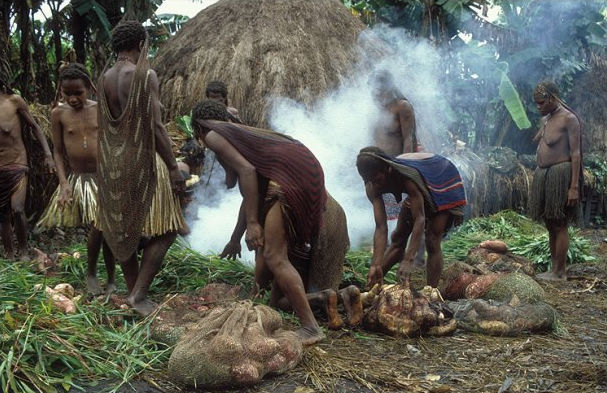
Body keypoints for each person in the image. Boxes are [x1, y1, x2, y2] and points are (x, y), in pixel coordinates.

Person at [191, 99, 328, 345]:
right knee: (270, 250)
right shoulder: (241, 136)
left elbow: (246, 172)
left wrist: (254, 224)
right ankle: (289, 304)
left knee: (275, 256)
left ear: (198, 127)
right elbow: (248, 193)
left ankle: (311, 328)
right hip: (307, 170)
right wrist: (235, 238)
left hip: (293, 177)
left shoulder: (212, 133)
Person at [97, 20, 186, 316]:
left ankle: (133, 289)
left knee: (124, 226)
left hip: (115, 163)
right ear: (140, 45)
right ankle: (139, 294)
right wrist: (173, 168)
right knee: (169, 228)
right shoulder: (145, 74)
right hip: (145, 160)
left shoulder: (104, 78)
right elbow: (156, 126)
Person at [37, 63, 115, 295]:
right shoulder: (58, 114)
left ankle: (109, 277)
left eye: (77, 93)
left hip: (105, 178)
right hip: (81, 180)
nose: (72, 98)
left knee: (106, 228)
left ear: (89, 88)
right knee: (99, 226)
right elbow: (58, 152)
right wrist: (64, 182)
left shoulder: (101, 109)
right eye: (66, 93)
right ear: (60, 91)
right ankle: (92, 274)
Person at [356, 147, 466, 289]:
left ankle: (430, 293)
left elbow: (419, 219)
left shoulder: (407, 177)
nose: (375, 185)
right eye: (369, 181)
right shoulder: (372, 185)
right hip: (420, 188)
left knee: (432, 239)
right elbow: (381, 227)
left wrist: (409, 260)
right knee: (398, 238)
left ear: (388, 170)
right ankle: (373, 284)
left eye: (377, 179)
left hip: (440, 177)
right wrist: (375, 264)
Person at [530, 80, 582, 281]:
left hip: (560, 174)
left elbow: (576, 153)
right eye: (536, 103)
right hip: (544, 174)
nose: (538, 106)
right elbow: (539, 140)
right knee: (550, 222)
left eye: (542, 102)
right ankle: (554, 269)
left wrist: (574, 187)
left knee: (560, 223)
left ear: (553, 99)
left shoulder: (569, 119)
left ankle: (560, 272)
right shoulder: (547, 118)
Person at [372, 70, 425, 266]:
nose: (375, 95)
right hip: (381, 172)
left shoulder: (402, 107)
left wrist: (402, 167)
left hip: (398, 169)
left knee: (409, 218)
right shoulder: (377, 111)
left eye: (378, 90)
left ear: (388, 88)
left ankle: (414, 259)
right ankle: (384, 255)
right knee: (382, 219)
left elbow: (408, 140)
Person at [0, 70, 55, 260]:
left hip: (17, 164)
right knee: (2, 215)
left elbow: (35, 126)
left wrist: (48, 154)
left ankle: (23, 251)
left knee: (17, 209)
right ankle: (9, 254)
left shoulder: (13, 101)